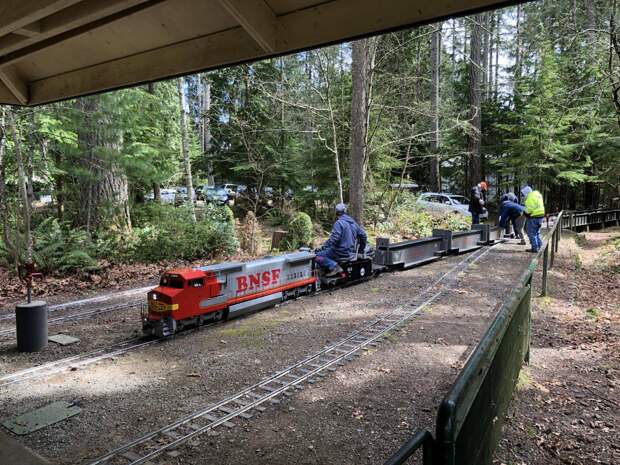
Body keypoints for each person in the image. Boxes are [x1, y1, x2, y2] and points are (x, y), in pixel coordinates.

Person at [315, 203, 367, 276]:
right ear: (345, 211)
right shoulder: (353, 223)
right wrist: (361, 249)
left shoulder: (339, 223)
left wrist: (323, 247)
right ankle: (327, 270)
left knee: (316, 256)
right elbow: (363, 236)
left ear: (336, 213)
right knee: (326, 251)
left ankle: (334, 267)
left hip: (339, 252)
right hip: (349, 252)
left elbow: (334, 239)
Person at [521, 185, 545, 253]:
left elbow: (529, 209)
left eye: (523, 194)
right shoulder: (537, 195)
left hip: (534, 217)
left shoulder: (530, 198)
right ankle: (540, 246)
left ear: (526, 193)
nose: (523, 196)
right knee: (536, 233)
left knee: (531, 233)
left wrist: (525, 213)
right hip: (540, 216)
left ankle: (534, 248)